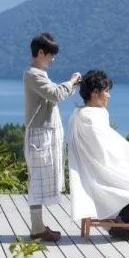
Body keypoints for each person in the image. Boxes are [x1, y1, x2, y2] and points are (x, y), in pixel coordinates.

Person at [67, 70, 129, 240]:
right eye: (106, 91)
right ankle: (126, 225)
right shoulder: (92, 117)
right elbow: (102, 151)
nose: (109, 96)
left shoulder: (81, 113)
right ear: (94, 92)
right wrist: (126, 165)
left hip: (93, 170)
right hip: (102, 173)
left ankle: (123, 223)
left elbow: (101, 148)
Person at [23, 32, 81, 242]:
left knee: (39, 181)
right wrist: (72, 81)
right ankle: (37, 228)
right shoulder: (33, 74)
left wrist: (71, 85)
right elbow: (55, 94)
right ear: (40, 52)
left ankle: (38, 227)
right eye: (50, 55)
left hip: (43, 134)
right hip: (39, 135)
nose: (53, 59)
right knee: (37, 182)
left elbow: (54, 94)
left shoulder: (39, 74)